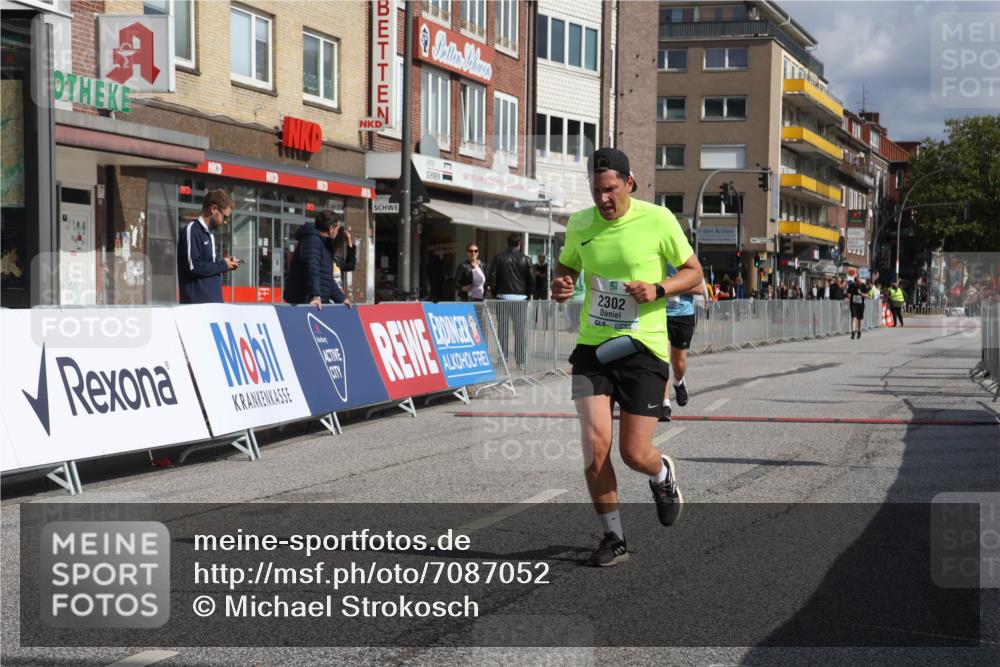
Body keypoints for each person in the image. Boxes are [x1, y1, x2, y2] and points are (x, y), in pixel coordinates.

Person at [550, 147, 703, 567]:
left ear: (629, 184)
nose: (603, 199)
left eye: (611, 189)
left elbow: (695, 273)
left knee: (634, 452)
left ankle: (661, 475)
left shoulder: (658, 219)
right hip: (593, 348)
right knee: (595, 446)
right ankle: (613, 537)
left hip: (643, 349)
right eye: (596, 190)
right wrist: (561, 284)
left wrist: (658, 289)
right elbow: (566, 270)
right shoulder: (580, 224)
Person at [177, 189, 240, 304]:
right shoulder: (193, 230)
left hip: (213, 305)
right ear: (213, 209)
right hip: (198, 307)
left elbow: (208, 266)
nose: (225, 222)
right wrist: (222, 265)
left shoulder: (209, 233)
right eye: (224, 217)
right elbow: (193, 267)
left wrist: (226, 263)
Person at [660, 264, 703, 422]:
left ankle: (679, 382)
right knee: (662, 359)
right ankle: (664, 405)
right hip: (659, 313)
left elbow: (699, 288)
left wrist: (672, 285)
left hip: (683, 315)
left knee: (679, 363)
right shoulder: (656, 256)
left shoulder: (686, 259)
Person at [283, 209, 350, 309]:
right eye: (337, 229)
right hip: (305, 302)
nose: (338, 232)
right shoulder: (312, 240)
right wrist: (315, 296)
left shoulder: (325, 244)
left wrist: (341, 298)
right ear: (331, 228)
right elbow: (312, 269)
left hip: (319, 302)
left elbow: (327, 278)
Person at [488, 233, 534, 366]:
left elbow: (492, 276)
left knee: (502, 329)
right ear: (519, 244)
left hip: (502, 297)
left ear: (507, 243)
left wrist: (496, 293)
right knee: (519, 330)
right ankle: (520, 361)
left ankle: (503, 358)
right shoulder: (526, 259)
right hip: (520, 298)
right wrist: (529, 295)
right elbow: (531, 279)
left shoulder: (499, 257)